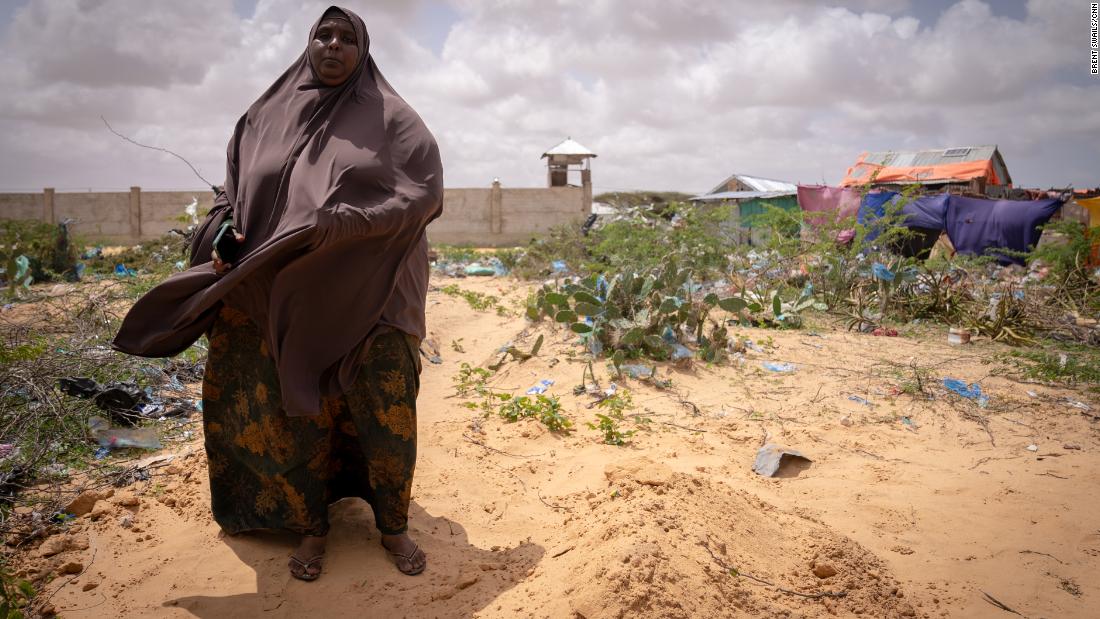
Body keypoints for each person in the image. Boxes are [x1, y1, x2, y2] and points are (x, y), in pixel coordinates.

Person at [112, 5, 443, 582]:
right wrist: (220, 229)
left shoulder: (395, 119)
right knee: (290, 403)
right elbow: (231, 192)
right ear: (308, 42)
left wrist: (346, 224)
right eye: (324, 34)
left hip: (373, 282)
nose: (334, 45)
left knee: (383, 407)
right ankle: (310, 524)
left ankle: (393, 525)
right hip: (277, 289)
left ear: (363, 51)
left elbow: (423, 195)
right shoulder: (265, 114)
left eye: (347, 37)